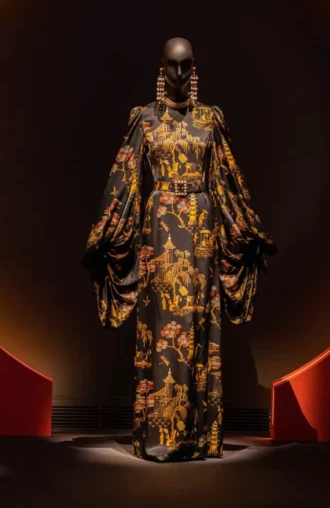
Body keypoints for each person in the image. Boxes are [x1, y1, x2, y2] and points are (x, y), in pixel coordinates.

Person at [83, 37, 275, 461]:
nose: (179, 74)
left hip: (202, 227)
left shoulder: (210, 118)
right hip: (160, 225)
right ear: (160, 67)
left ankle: (199, 436)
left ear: (195, 68)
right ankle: (160, 437)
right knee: (163, 323)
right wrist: (107, 233)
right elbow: (125, 179)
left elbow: (227, 180)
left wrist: (247, 230)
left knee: (198, 324)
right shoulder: (144, 119)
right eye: (172, 65)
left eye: (186, 65)